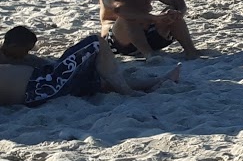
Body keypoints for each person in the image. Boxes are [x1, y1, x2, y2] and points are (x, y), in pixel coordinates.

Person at [0, 29, 175, 106]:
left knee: (96, 78)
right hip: (44, 85)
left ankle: (153, 82)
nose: (25, 54)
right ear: (12, 45)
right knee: (95, 41)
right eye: (23, 50)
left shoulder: (25, 59)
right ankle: (127, 91)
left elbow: (43, 64)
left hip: (45, 87)